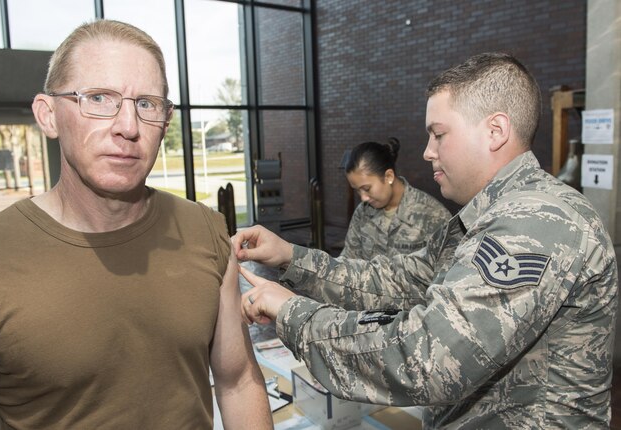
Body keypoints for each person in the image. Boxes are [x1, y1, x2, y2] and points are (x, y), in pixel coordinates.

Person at [233, 52, 617, 428]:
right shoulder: (488, 216)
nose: (427, 151)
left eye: (439, 134)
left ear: (495, 131)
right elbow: (397, 280)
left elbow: (428, 357)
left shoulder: (535, 221)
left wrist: (294, 314)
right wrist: (289, 256)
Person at [0, 20, 272, 430]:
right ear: (48, 116)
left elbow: (237, 382)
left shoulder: (205, 231)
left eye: (146, 103)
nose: (128, 126)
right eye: (99, 98)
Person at [341, 138, 451, 260]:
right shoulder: (363, 212)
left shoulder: (434, 215)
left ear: (388, 176)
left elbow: (446, 272)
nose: (363, 198)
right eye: (357, 190)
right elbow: (348, 261)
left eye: (366, 188)